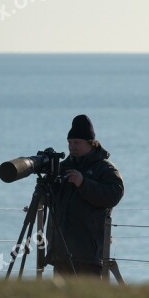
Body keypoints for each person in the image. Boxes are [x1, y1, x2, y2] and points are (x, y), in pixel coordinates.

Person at [46, 114, 124, 278]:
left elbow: (115, 193)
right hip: (61, 251)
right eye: (69, 142)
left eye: (76, 142)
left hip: (88, 254)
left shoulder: (104, 168)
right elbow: (48, 200)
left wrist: (83, 183)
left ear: (91, 143)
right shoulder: (62, 167)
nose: (72, 147)